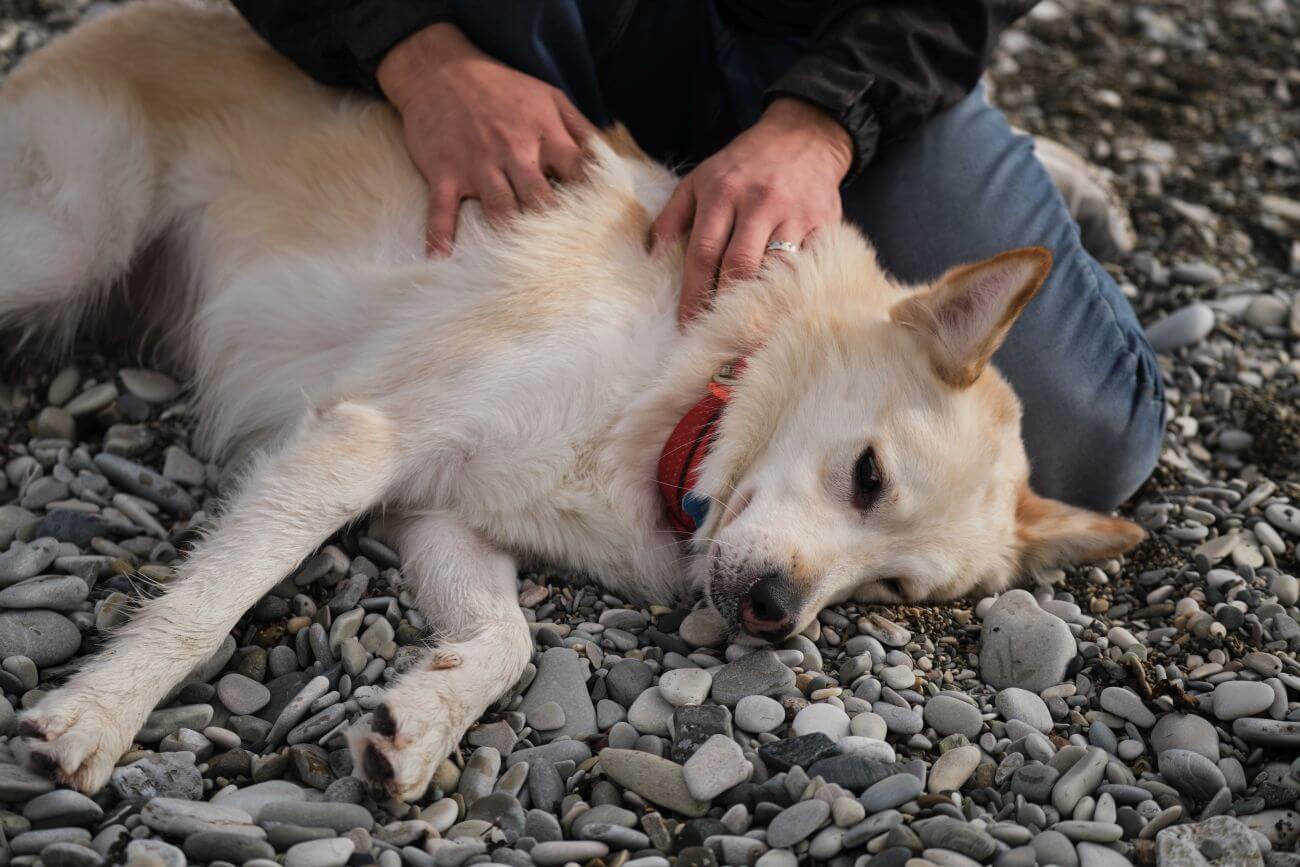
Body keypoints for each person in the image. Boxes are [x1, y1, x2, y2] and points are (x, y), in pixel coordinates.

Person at [229, 0, 1165, 512]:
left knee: (1082, 441)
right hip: (548, 24)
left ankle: (967, 147)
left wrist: (830, 122)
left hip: (832, 39)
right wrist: (415, 54)